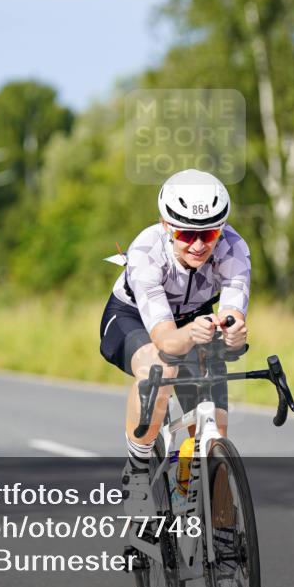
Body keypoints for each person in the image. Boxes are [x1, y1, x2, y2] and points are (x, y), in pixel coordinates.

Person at [98, 169, 251, 518]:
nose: (199, 245)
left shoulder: (234, 248)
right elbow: (166, 338)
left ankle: (223, 537)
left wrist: (234, 332)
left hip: (196, 319)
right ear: (166, 226)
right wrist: (192, 334)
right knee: (159, 367)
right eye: (186, 234)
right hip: (133, 318)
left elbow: (232, 310)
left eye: (209, 233)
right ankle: (138, 472)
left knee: (214, 435)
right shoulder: (146, 251)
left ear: (222, 228)